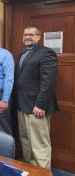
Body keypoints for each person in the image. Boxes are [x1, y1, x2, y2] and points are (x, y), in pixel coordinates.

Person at [14, 26, 58, 169]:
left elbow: (48, 81)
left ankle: (43, 173)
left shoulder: (46, 53)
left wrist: (41, 105)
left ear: (39, 37)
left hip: (36, 108)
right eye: (25, 34)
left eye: (31, 35)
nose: (27, 37)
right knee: (26, 141)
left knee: (39, 145)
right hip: (22, 106)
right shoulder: (22, 54)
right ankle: (31, 170)